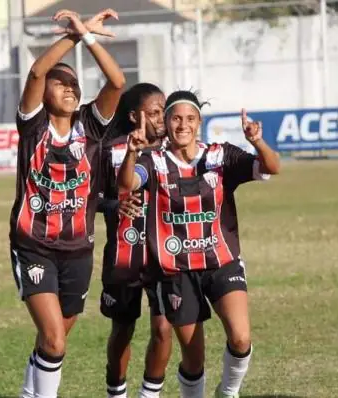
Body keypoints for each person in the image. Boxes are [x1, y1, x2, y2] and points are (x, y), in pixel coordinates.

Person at [117, 90, 280, 398]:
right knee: (194, 360)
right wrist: (132, 154)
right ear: (166, 122)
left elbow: (272, 167)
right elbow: (127, 185)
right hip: (176, 271)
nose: (183, 125)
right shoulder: (153, 161)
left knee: (241, 338)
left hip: (221, 261)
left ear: (199, 122)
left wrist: (257, 141)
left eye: (190, 119)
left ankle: (228, 393)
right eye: (176, 118)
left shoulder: (221, 156)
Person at [9, 8, 125, 398]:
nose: (70, 88)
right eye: (61, 83)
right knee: (55, 340)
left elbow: (117, 81)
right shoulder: (33, 127)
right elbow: (38, 72)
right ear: (44, 96)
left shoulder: (91, 128)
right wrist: (76, 34)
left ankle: (31, 392)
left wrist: (89, 38)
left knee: (53, 340)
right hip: (34, 245)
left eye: (74, 84)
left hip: (78, 250)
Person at [98, 83, 173, 398]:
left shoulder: (177, 149)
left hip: (166, 255)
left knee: (163, 328)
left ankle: (149, 395)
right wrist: (115, 205)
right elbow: (91, 198)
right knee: (122, 330)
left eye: (163, 111)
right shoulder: (110, 151)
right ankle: (116, 392)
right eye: (154, 113)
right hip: (125, 255)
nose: (161, 119)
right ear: (133, 116)